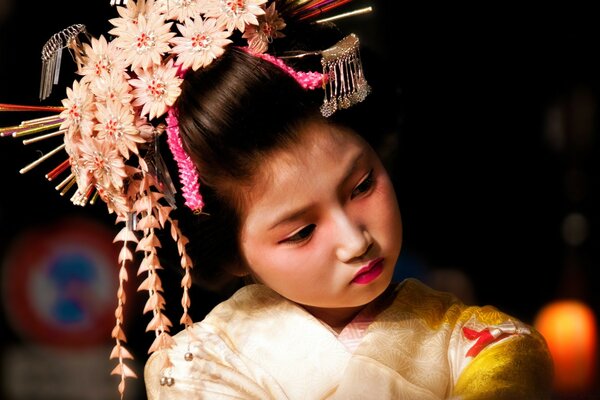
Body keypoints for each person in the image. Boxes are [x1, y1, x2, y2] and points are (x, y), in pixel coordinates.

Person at [0, 1, 553, 399]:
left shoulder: (490, 343)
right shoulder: (197, 371)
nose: (354, 239)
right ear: (232, 251)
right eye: (300, 231)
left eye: (361, 186)